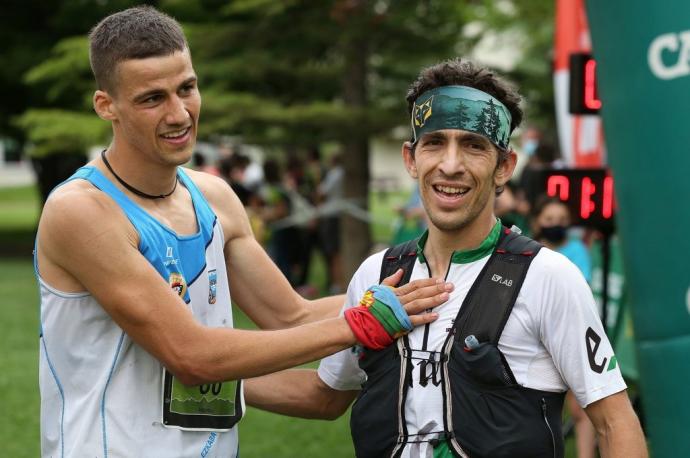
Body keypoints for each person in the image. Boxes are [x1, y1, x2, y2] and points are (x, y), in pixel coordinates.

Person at [34, 7, 453, 457]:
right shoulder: (82, 210)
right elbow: (193, 356)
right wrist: (360, 323)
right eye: (152, 98)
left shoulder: (213, 197)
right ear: (106, 106)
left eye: (187, 88)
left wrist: (439, 289)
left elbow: (292, 317)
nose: (179, 113)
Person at [245, 58, 647, 457]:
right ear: (411, 158)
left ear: (504, 166)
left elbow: (614, 421)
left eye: (473, 145)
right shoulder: (377, 273)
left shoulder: (548, 276)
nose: (450, 165)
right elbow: (325, 395)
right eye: (435, 142)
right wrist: (210, 381)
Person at [531, 194, 595, 458]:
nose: (556, 224)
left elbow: (578, 290)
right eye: (549, 219)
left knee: (582, 409)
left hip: (571, 338)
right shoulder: (527, 250)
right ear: (537, 222)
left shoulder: (578, 251)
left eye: (562, 220)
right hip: (534, 340)